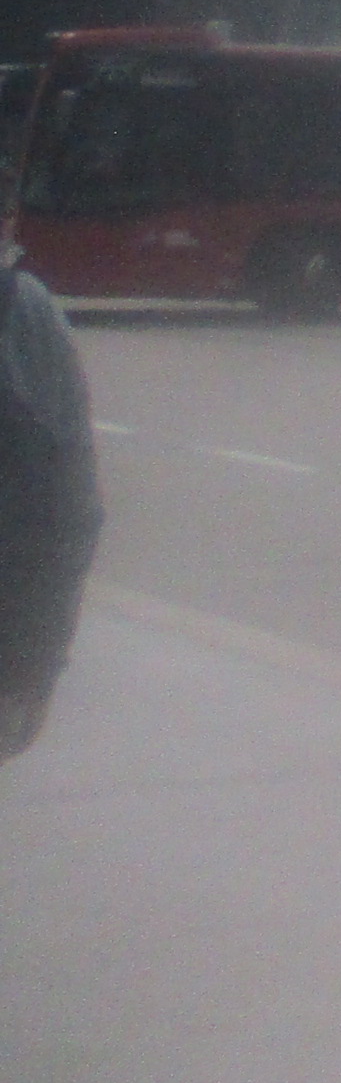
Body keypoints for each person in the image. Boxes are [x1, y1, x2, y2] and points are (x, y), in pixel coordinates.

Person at [2, 254, 102, 766]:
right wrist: (37, 664)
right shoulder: (22, 310)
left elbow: (67, 510)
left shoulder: (20, 309)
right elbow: (68, 508)